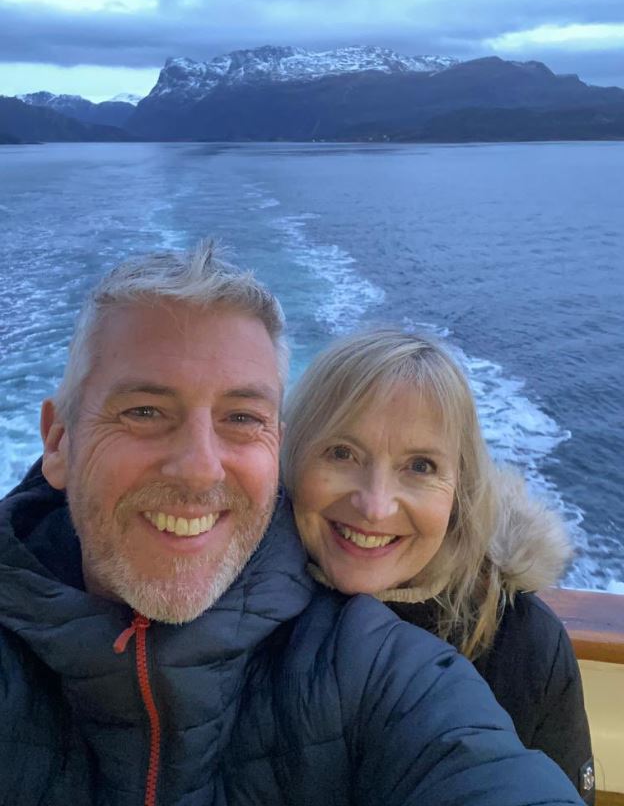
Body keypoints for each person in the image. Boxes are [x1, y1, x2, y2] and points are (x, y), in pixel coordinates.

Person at [0, 245, 585, 806]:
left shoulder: (371, 661)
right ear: (57, 441)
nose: (201, 469)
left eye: (240, 417)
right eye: (144, 411)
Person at [282, 328, 595, 805]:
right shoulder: (235, 610)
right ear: (290, 461)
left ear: (460, 490)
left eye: (420, 466)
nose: (374, 506)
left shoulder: (523, 643)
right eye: (342, 453)